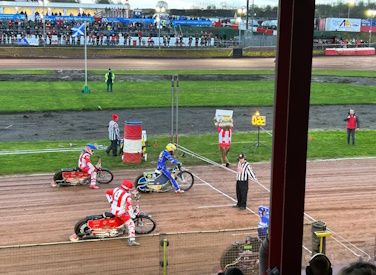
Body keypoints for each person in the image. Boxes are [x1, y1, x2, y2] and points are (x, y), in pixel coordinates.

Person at [105, 180, 140, 246]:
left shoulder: (116, 189)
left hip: (112, 209)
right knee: (131, 224)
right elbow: (129, 207)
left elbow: (107, 192)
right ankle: (132, 240)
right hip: (120, 212)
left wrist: (110, 201)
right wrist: (132, 215)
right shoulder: (127, 196)